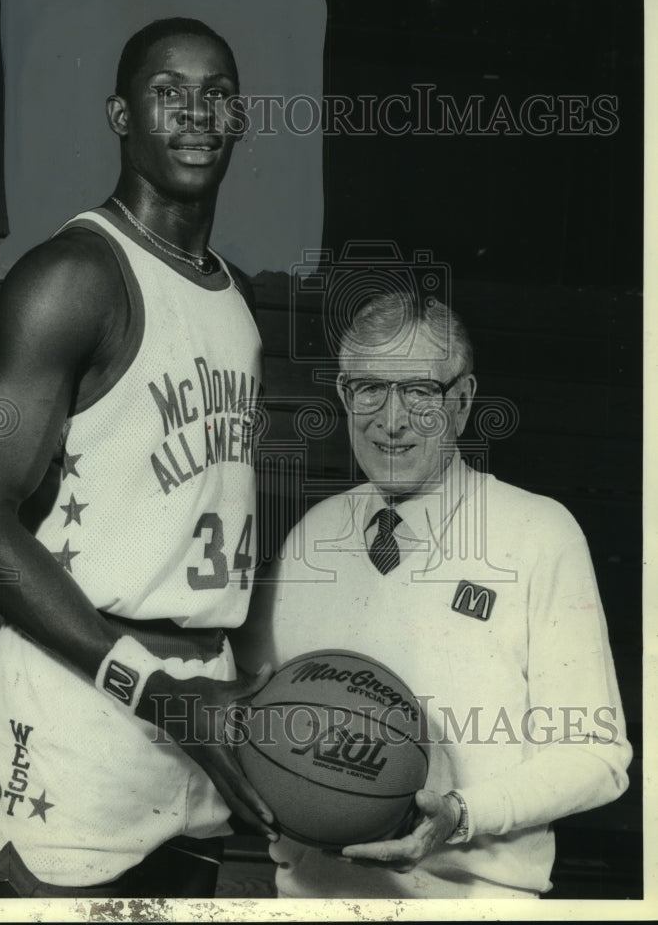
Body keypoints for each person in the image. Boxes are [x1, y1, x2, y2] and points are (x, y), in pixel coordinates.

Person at [0, 17, 277, 899]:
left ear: (241, 120)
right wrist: (160, 694)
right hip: (86, 713)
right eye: (169, 93)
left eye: (218, 96)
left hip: (204, 715)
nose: (197, 114)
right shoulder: (75, 277)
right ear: (121, 115)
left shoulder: (236, 298)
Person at [234, 290, 631, 899]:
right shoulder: (308, 537)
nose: (391, 420)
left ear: (464, 400)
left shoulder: (538, 534)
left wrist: (461, 813)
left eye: (420, 391)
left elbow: (598, 757)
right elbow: (259, 720)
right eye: (368, 388)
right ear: (343, 396)